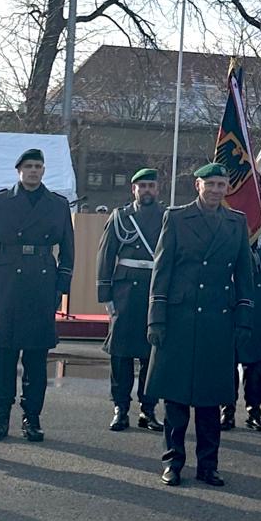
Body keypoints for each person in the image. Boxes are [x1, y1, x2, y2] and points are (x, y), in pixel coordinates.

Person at [145, 163, 255, 487]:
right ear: (198, 185)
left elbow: (244, 277)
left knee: (210, 402)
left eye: (222, 185)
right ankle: (173, 463)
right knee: (176, 400)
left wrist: (244, 318)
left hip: (217, 320)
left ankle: (208, 465)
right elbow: (161, 271)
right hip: (180, 319)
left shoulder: (236, 223)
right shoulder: (177, 218)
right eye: (211, 184)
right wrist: (156, 317)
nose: (217, 190)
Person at [0, 148, 75, 441]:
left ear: (44, 171)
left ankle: (32, 418)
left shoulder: (57, 205)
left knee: (36, 358)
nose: (34, 171)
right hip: (7, 281)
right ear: (18, 170)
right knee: (3, 357)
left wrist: (62, 285)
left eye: (38, 166)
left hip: (41, 280)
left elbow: (68, 250)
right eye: (28, 166)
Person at [97, 167, 165, 432]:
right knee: (121, 353)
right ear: (133, 189)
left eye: (151, 185)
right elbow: (105, 256)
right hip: (125, 292)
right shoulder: (120, 218)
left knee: (153, 353)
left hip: (154, 290)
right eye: (142, 186)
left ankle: (148, 409)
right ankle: (120, 408)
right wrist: (105, 294)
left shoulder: (168, 217)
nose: (147, 190)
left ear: (158, 189)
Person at [224, 204, 261, 433]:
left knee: (255, 356)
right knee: (227, 354)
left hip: (257, 285)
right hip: (229, 285)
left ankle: (254, 410)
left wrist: (244, 261)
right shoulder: (225, 213)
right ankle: (226, 410)